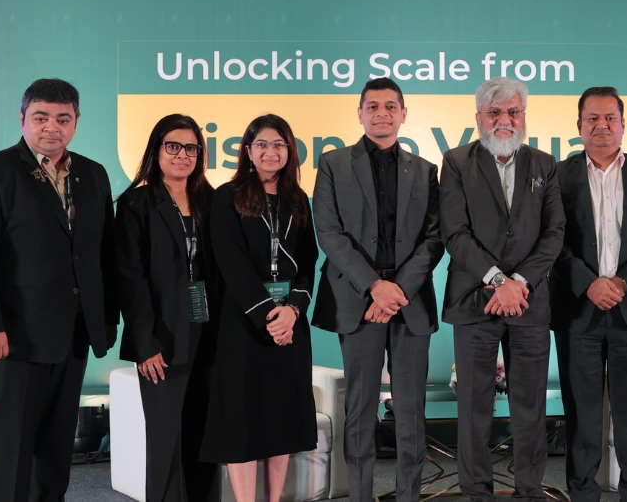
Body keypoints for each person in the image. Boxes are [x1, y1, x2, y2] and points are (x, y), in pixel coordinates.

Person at [0, 78, 118, 502]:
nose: (52, 127)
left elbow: (102, 252)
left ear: (76, 122)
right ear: (23, 119)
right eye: (41, 117)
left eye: (63, 119)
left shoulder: (93, 173)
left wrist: (105, 318)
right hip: (12, 336)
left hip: (74, 332)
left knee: (56, 445)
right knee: (12, 445)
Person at [311, 78, 445, 502]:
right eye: (373, 106)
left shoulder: (425, 170)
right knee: (359, 410)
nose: (382, 113)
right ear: (360, 113)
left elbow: (434, 238)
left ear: (403, 114)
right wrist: (374, 287)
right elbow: (329, 234)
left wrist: (395, 291)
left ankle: (409, 496)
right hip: (358, 301)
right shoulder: (333, 164)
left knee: (411, 412)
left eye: (390, 106)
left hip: (409, 301)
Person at [439, 77, 565, 502]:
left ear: (523, 116)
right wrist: (498, 281)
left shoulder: (545, 164)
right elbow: (454, 233)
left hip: (529, 302)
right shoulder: (456, 161)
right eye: (494, 112)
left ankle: (529, 492)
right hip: (475, 300)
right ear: (479, 117)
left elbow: (554, 233)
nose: (504, 120)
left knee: (530, 407)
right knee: (474, 407)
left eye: (512, 111)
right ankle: (477, 493)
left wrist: (519, 283)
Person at [552, 87, 627, 502]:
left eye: (610, 118)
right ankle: (583, 495)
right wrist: (588, 282)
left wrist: (622, 282)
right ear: (579, 126)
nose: (601, 125)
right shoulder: (558, 174)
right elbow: (551, 239)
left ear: (624, 125)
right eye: (593, 118)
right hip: (578, 313)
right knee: (581, 417)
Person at [199, 114, 319, 502]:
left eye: (279, 144)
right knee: (242, 419)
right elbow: (230, 261)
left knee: (282, 419)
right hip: (244, 324)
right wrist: (269, 315)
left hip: (290, 325)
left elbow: (309, 260)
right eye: (262, 144)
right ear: (248, 151)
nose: (271, 151)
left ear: (290, 151)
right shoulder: (227, 196)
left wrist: (293, 311)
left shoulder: (298, 200)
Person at [116, 114, 220, 502]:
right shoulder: (136, 203)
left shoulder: (214, 201)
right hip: (162, 337)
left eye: (191, 148)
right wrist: (145, 343)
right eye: (172, 146)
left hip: (209, 332)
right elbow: (129, 277)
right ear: (156, 149)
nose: (182, 155)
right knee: (165, 439)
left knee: (206, 435)